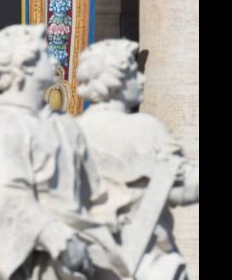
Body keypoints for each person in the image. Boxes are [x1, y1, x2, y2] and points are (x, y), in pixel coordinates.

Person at [0, 24, 125, 280]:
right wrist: (57, 238)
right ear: (25, 65)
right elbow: (5, 196)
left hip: (76, 263)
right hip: (32, 264)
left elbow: (95, 192)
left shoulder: (64, 126)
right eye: (45, 53)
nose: (55, 60)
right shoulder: (1, 124)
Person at [76, 39, 199, 280]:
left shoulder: (72, 130)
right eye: (133, 74)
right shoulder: (145, 128)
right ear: (115, 81)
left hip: (91, 261)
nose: (142, 79)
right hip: (145, 260)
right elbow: (179, 189)